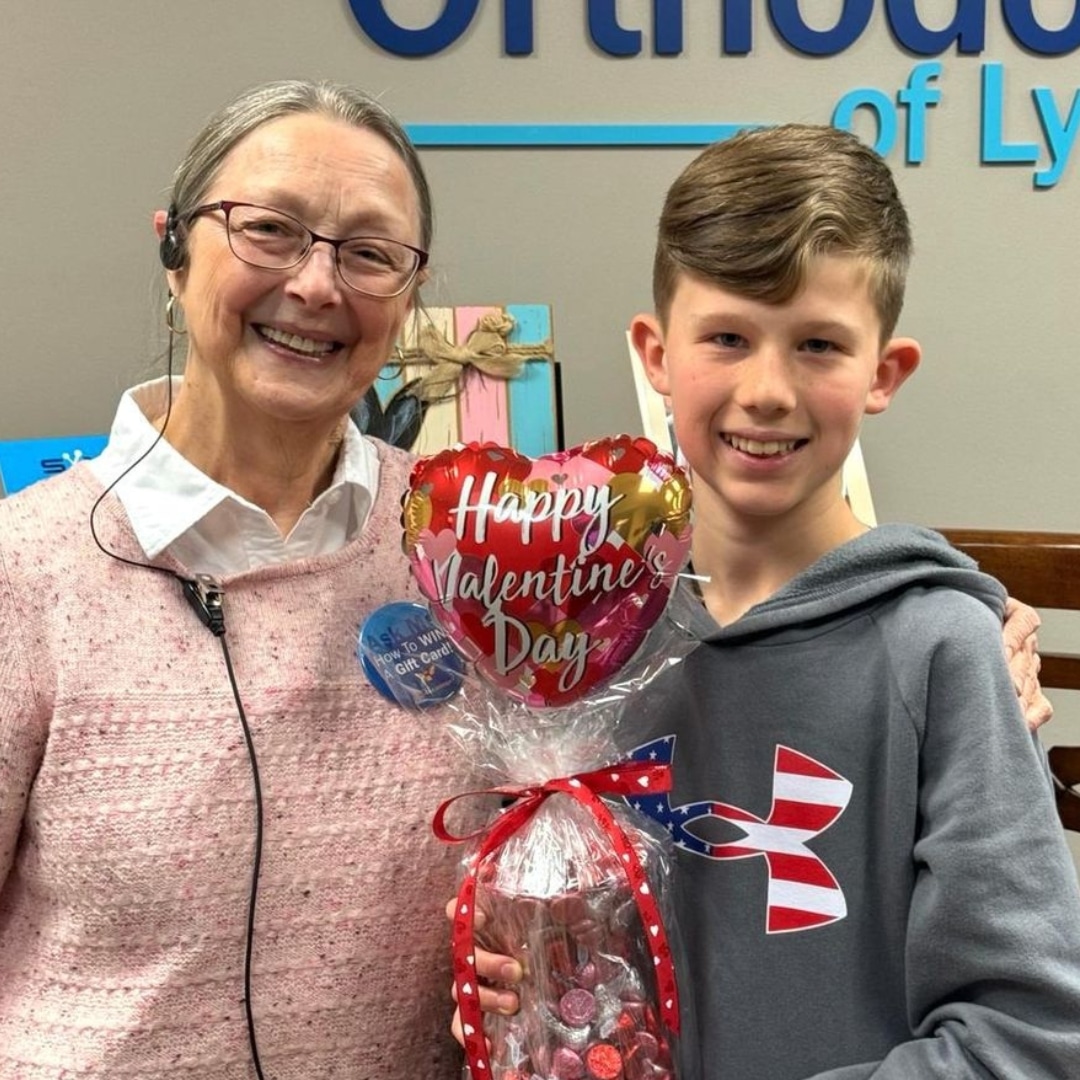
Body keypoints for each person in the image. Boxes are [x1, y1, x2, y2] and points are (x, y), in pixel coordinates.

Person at [457, 124, 1080, 1078]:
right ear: (655, 352)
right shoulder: (575, 636)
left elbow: (1028, 1035)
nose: (768, 389)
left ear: (884, 373)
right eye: (728, 338)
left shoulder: (944, 650)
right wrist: (512, 982)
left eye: (820, 345)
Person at [0, 80, 470, 1078]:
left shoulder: (459, 545)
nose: (315, 284)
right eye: (270, 230)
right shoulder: (24, 570)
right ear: (174, 249)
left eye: (370, 253)